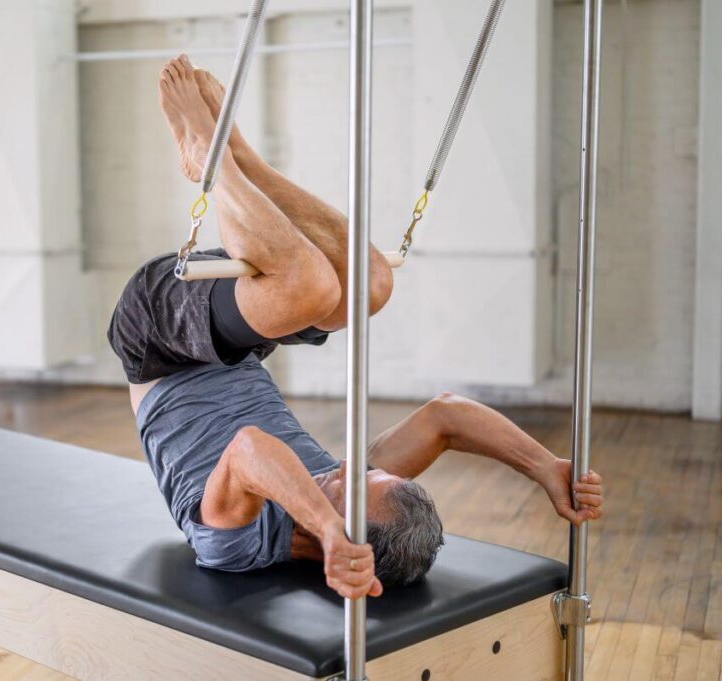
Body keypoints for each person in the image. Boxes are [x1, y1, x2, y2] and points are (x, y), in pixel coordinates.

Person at [108, 55, 604, 600]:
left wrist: (321, 524)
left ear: (339, 539)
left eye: (347, 489)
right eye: (363, 475)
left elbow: (250, 448)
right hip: (236, 337)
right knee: (370, 284)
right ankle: (243, 160)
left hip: (160, 342)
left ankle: (211, 161)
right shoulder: (354, 492)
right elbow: (445, 417)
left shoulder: (240, 544)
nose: (344, 468)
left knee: (310, 288)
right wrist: (547, 467)